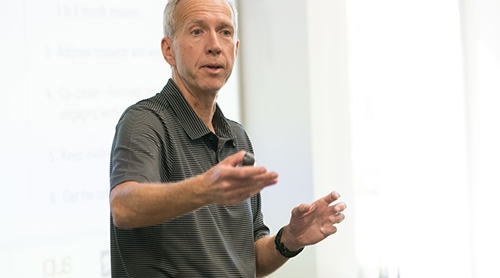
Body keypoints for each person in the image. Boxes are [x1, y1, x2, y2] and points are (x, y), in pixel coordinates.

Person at [109, 0, 347, 277]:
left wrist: (289, 240)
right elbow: (124, 207)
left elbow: (249, 260)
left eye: (225, 32)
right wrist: (205, 189)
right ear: (168, 50)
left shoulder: (237, 136)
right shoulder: (145, 121)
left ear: (234, 49)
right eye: (197, 31)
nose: (214, 45)